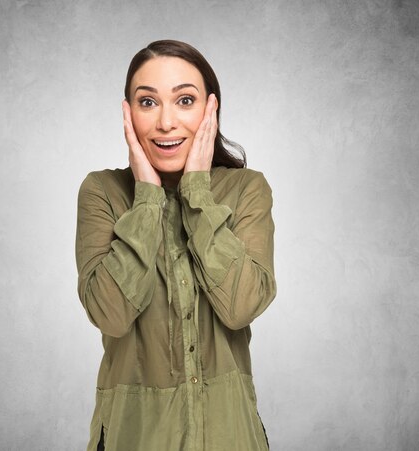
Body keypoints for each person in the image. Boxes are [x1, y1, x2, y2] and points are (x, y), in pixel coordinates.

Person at [76, 39, 276, 451]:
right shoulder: (102, 192)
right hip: (134, 437)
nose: (166, 122)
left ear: (210, 110)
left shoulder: (245, 189)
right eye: (147, 103)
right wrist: (147, 197)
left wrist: (198, 194)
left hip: (230, 436)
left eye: (185, 100)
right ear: (128, 113)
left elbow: (240, 307)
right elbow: (110, 315)